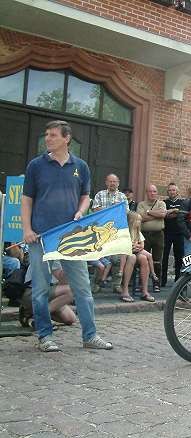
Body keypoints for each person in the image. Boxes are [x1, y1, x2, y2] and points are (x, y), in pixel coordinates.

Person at [21, 120, 112, 352]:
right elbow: (27, 199)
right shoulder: (36, 165)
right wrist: (27, 230)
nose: (48, 138)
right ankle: (44, 336)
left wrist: (81, 211)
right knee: (41, 289)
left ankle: (90, 335)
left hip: (72, 236)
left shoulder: (80, 166)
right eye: (46, 135)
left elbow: (85, 195)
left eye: (52, 135)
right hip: (41, 236)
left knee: (83, 288)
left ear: (66, 138)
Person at [20, 261, 77, 328]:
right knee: (72, 290)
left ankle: (29, 314)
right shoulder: (52, 256)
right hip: (33, 293)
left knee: (70, 319)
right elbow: (63, 280)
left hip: (49, 294)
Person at [120, 211, 155, 303]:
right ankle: (125, 290)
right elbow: (123, 245)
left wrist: (138, 247)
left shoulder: (138, 232)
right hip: (125, 253)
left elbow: (141, 244)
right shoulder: (125, 232)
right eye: (137, 220)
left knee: (144, 258)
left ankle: (144, 291)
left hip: (136, 251)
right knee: (132, 257)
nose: (139, 222)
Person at [137, 185, 166, 292]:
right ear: (146, 193)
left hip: (158, 235)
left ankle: (156, 283)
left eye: (154, 191)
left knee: (157, 260)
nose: (152, 193)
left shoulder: (161, 203)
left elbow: (163, 214)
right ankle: (142, 283)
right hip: (144, 235)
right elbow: (140, 218)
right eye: (150, 191)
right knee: (143, 259)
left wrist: (148, 212)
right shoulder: (141, 204)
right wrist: (155, 215)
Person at [161, 182, 185, 287]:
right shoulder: (163, 202)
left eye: (174, 190)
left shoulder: (183, 202)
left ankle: (178, 281)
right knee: (164, 257)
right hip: (166, 233)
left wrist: (171, 213)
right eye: (170, 190)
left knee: (179, 257)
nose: (172, 192)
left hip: (179, 233)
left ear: (177, 192)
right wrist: (173, 212)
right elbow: (163, 214)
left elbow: (183, 214)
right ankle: (163, 280)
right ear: (167, 192)